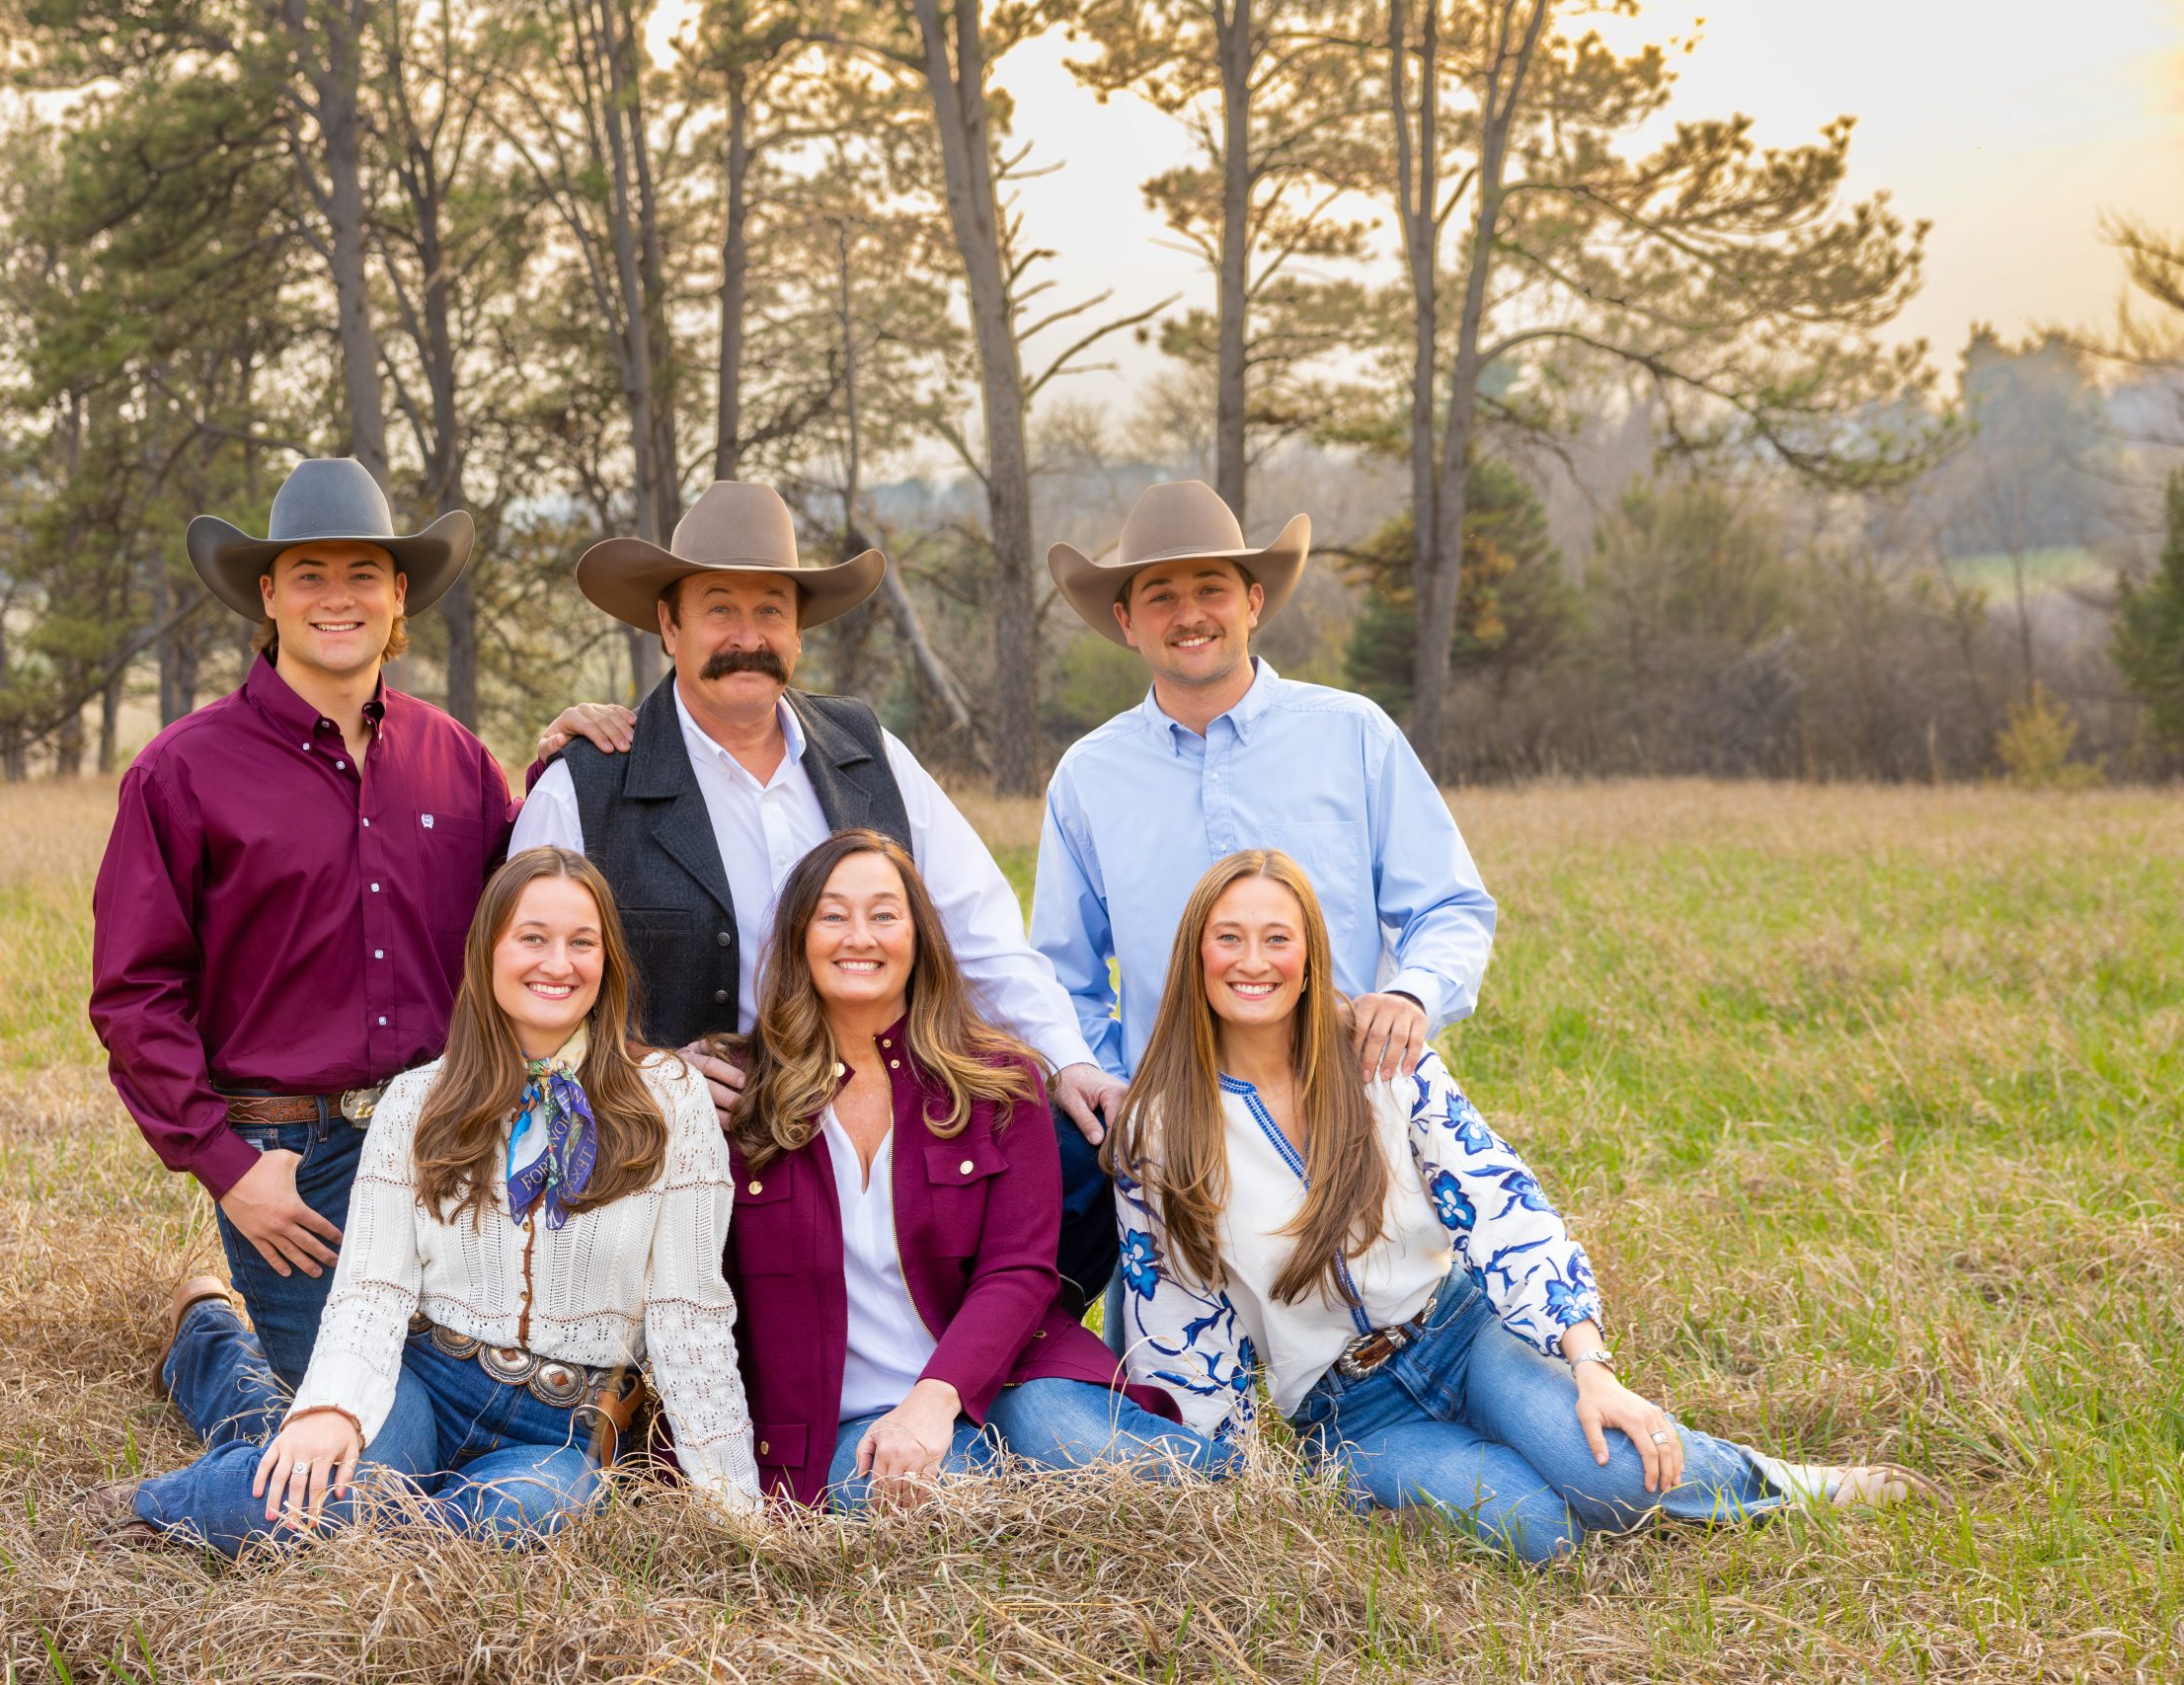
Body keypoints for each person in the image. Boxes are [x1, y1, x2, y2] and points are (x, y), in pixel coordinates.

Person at [1106, 850, 1942, 1566]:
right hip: (1347, 1408)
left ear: (1310, 953)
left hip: (1462, 1332)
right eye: (1230, 937)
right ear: (1196, 954)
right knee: (1539, 1531)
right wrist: (1223, 1477)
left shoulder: (1381, 1055)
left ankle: (1793, 1484)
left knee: (1614, 1480)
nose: (1254, 961)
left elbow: (1500, 1204)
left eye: (1277, 937)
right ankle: (1449, 1476)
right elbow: (1177, 1316)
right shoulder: (1160, 1127)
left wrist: (1590, 1366)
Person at [90, 458, 609, 1389]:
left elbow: (528, 923)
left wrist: (564, 773)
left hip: (452, 1135)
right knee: (354, 1451)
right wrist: (228, 1168)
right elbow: (134, 996)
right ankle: (209, 1342)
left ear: (398, 592)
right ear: (270, 594)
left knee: (466, 1408)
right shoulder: (181, 773)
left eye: (362, 574)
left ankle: (231, 1342)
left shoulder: (456, 760)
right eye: (310, 576)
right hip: (293, 1164)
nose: (339, 599)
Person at [78, 849, 761, 1554]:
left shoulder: (670, 1099)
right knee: (314, 1476)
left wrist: (733, 1504)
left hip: (560, 1427)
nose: (557, 962)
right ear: (488, 951)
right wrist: (333, 1410)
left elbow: (691, 1313)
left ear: (608, 961)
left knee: (510, 1522)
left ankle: (316, 1492)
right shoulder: (417, 1100)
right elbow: (374, 1288)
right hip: (424, 1382)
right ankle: (164, 1501)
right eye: (532, 937)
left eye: (581, 942)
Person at [510, 479, 1121, 1144]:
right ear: (669, 624)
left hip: (883, 1136)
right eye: (720, 609)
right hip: (680, 1156)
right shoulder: (584, 786)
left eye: (771, 611)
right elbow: (520, 993)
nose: (749, 636)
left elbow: (982, 937)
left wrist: (1068, 1060)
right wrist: (643, 1072)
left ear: (798, 630)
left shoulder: (868, 752)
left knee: (1076, 1155)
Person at [1034, 480, 1499, 1313]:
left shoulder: (1352, 734)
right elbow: (1063, 971)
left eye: (1211, 588)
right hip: (1178, 1156)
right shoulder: (1088, 777)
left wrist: (1410, 992)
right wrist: (1113, 1089)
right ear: (1126, 621)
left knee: (1404, 1360)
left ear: (1252, 602)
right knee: (1176, 1423)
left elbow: (1451, 906)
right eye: (1161, 595)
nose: (1190, 614)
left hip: (1344, 1114)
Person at [719, 830, 1229, 1510]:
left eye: (884, 914)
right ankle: (1014, 1489)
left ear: (919, 936)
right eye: (832, 915)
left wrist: (936, 1398)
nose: (859, 936)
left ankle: (1230, 1484)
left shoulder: (997, 1083)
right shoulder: (743, 1099)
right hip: (841, 1417)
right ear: (797, 939)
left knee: (1070, 1436)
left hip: (1008, 1371)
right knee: (949, 1498)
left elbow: (1019, 1272)